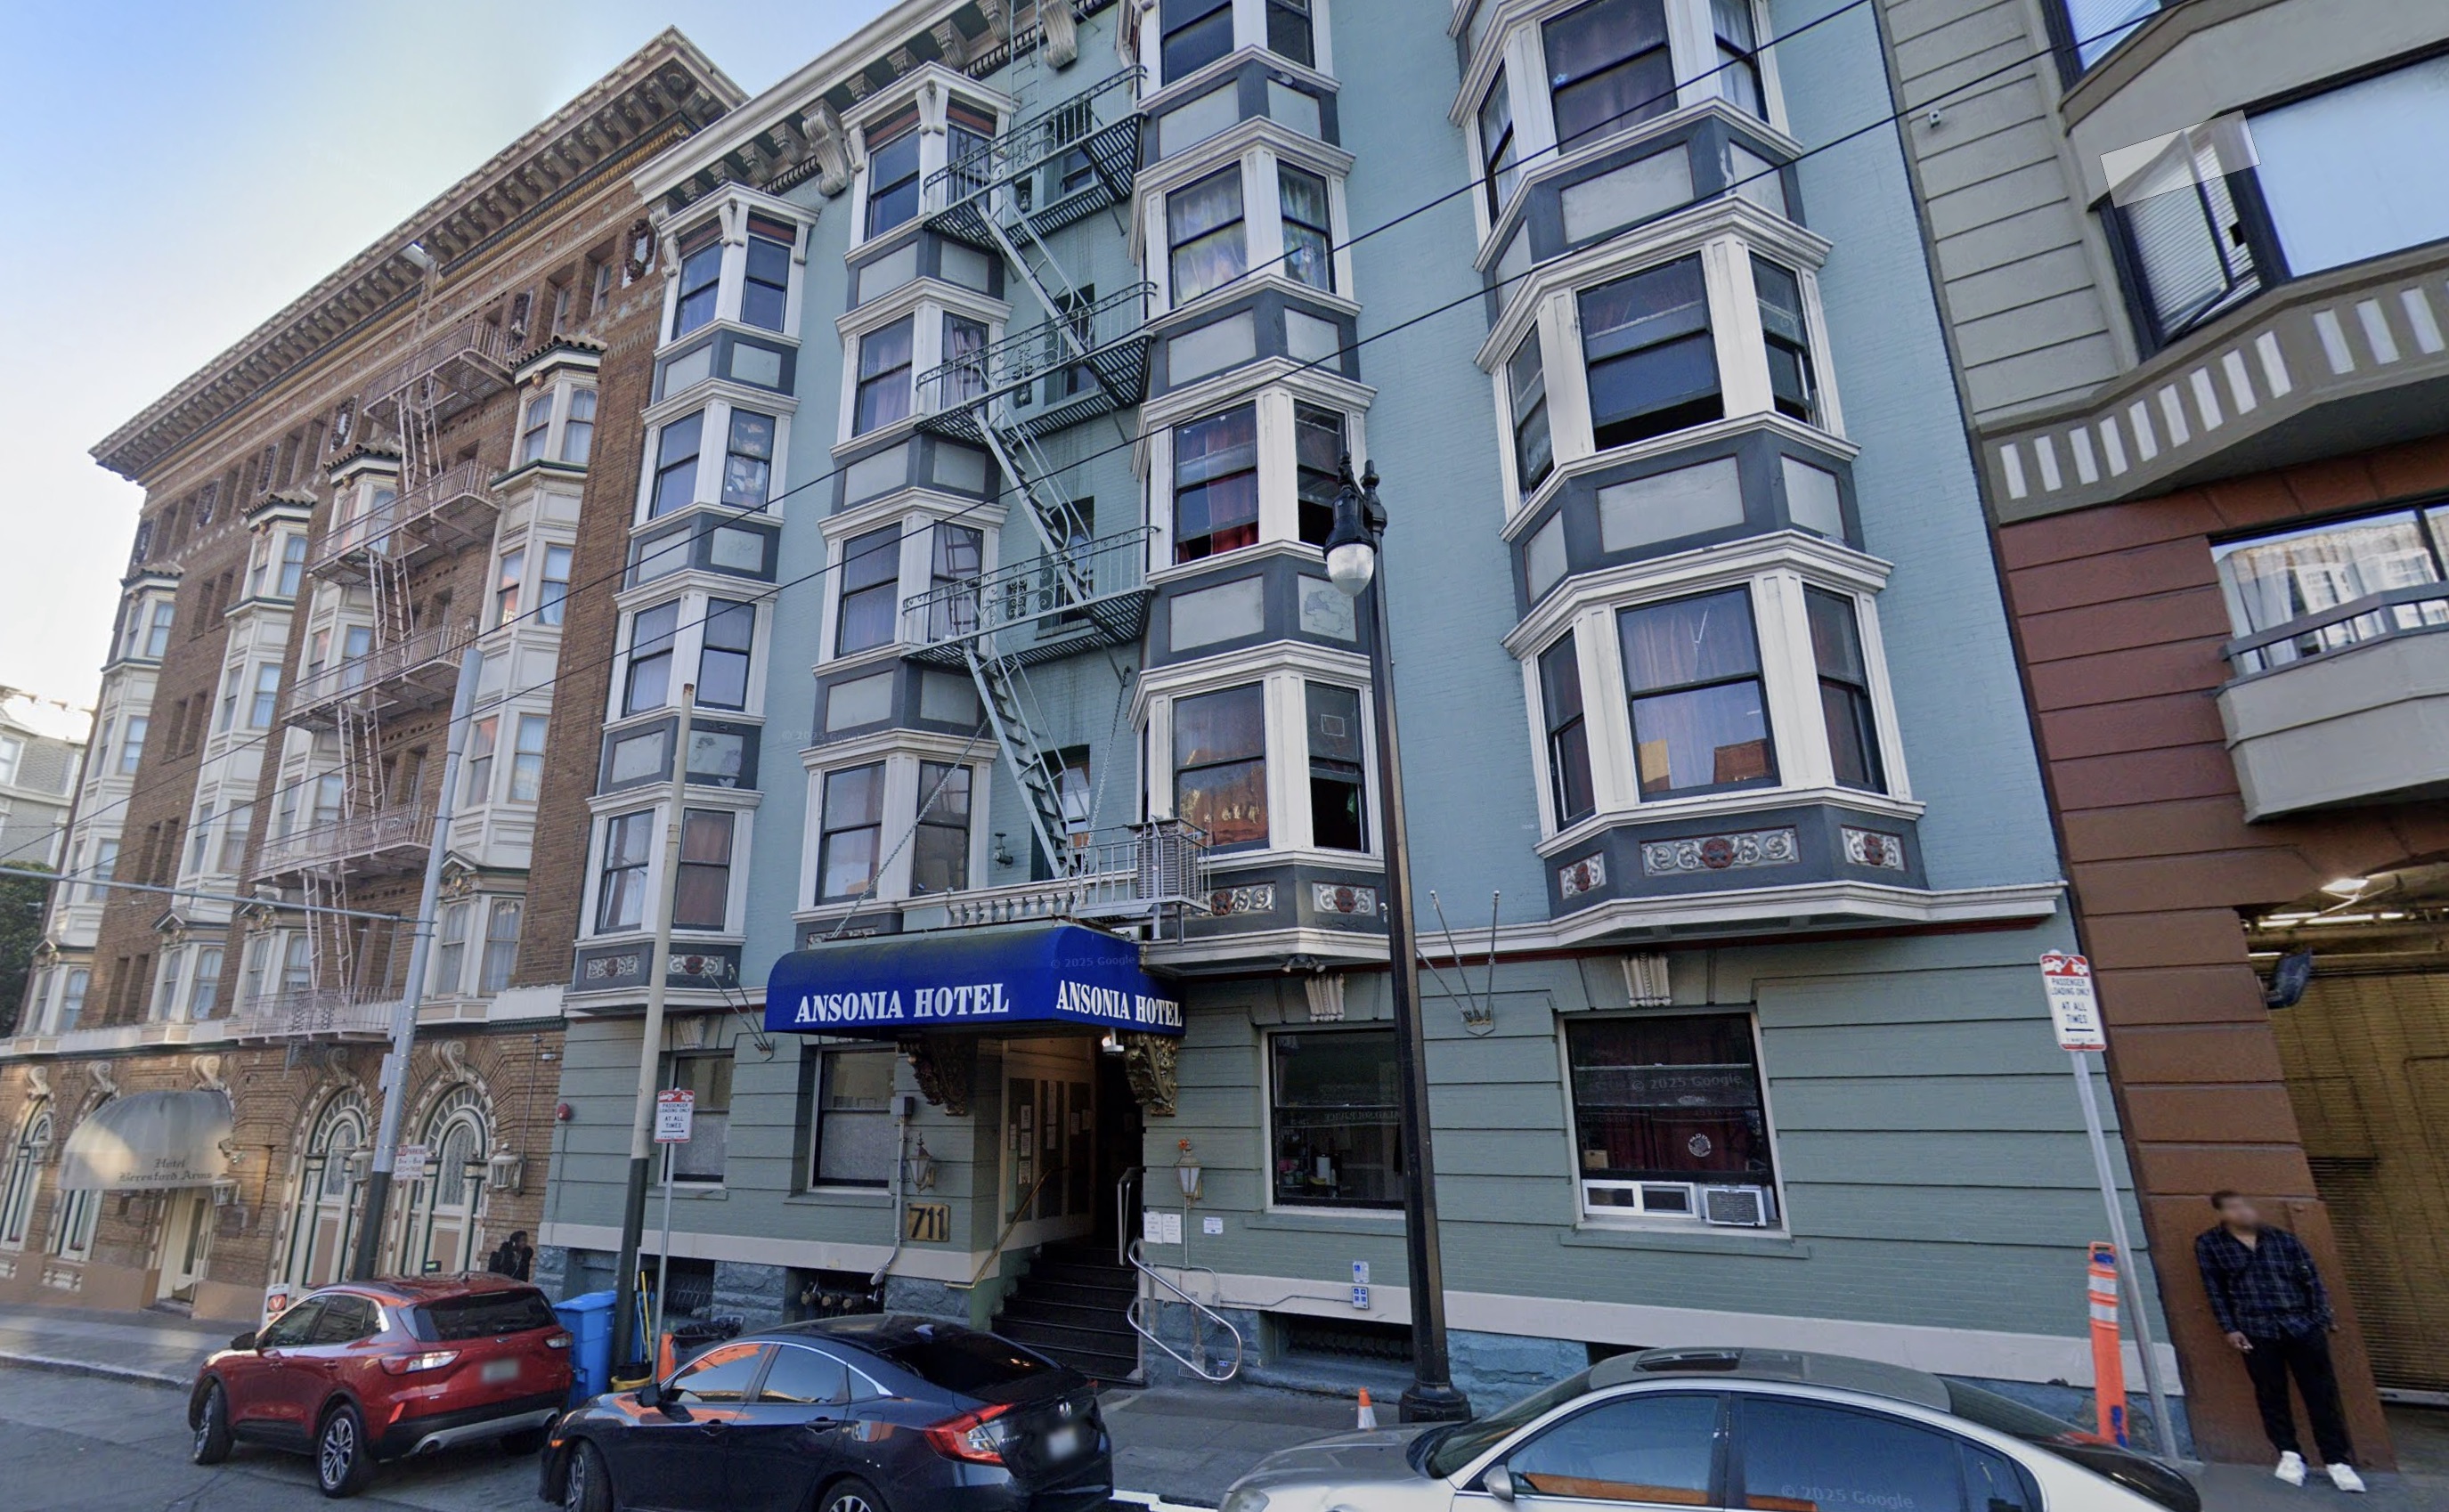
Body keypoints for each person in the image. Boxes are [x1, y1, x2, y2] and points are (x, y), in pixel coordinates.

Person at [2194, 1191, 2364, 1492]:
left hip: (2301, 1325)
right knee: (2270, 1393)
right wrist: (2230, 1328)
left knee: (2321, 1393)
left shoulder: (2282, 1239)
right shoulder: (2211, 1244)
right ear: (2222, 1214)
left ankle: (2336, 1460)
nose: (2243, 1212)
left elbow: (2311, 1279)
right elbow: (2215, 1289)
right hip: (2256, 1329)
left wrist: (2320, 1320)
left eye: (2245, 1205)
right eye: (2234, 1208)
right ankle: (2289, 1453)